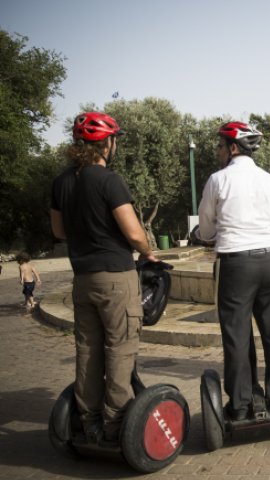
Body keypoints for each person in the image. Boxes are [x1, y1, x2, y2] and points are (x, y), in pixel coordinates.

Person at [50, 112, 158, 444]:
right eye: (114, 141)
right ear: (107, 143)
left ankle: (89, 421)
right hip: (115, 277)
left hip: (82, 280)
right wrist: (148, 252)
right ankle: (117, 424)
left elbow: (59, 231)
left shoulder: (61, 182)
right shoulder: (110, 180)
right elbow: (134, 234)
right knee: (120, 348)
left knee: (88, 350)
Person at [197, 121, 270, 420]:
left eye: (220, 146)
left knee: (237, 333)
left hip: (236, 263)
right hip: (269, 261)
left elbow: (207, 228)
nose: (217, 151)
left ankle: (240, 405)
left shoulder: (218, 180)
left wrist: (209, 233)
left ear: (233, 148)